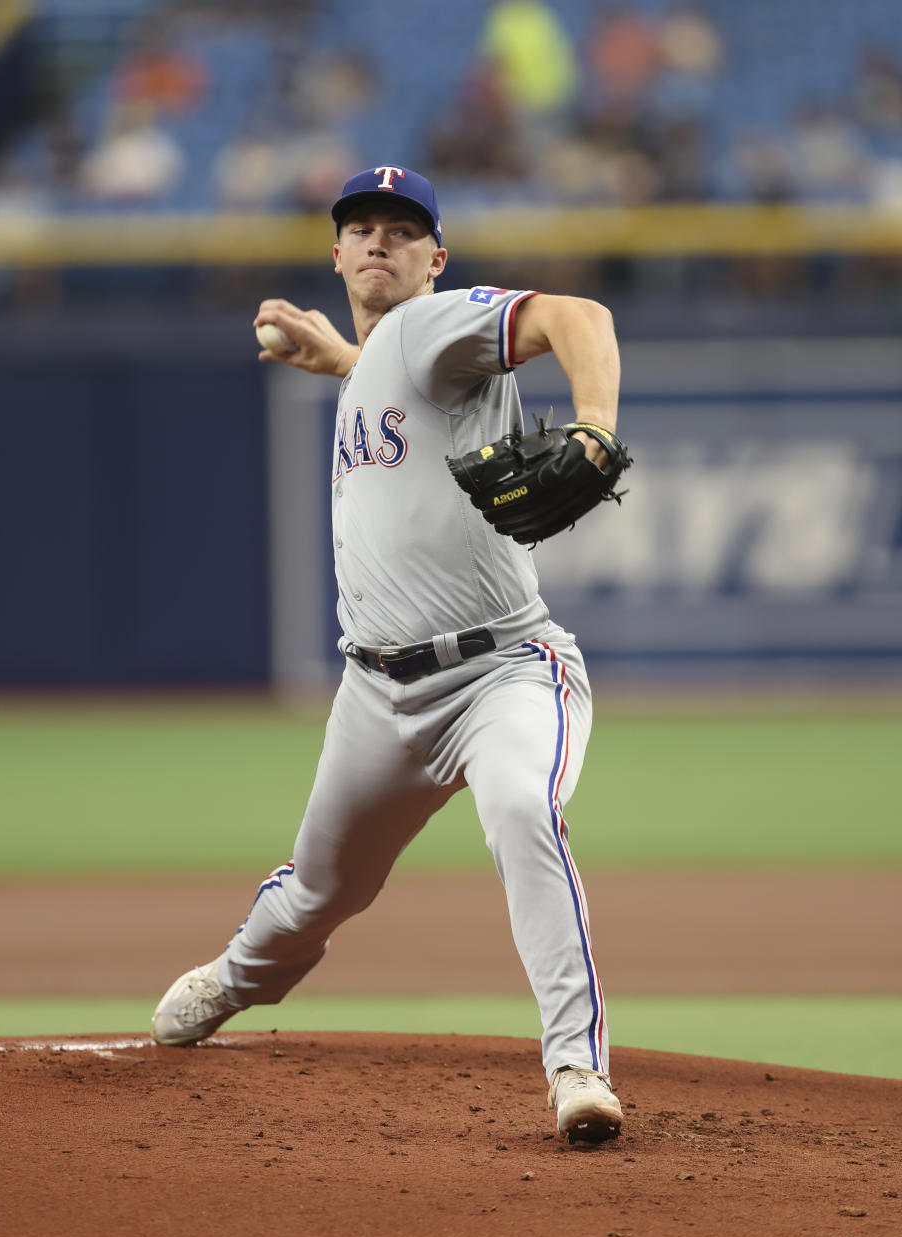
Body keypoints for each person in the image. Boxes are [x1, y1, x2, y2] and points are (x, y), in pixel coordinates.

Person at [151, 165, 624, 1144]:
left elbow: (579, 313)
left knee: (518, 808)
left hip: (504, 674)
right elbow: (398, 377)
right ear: (334, 254)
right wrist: (344, 361)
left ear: (436, 259)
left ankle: (577, 1068)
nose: (378, 241)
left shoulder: (435, 322)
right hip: (379, 695)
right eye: (360, 227)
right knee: (320, 891)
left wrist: (595, 427)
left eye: (403, 231)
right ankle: (236, 980)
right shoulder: (382, 356)